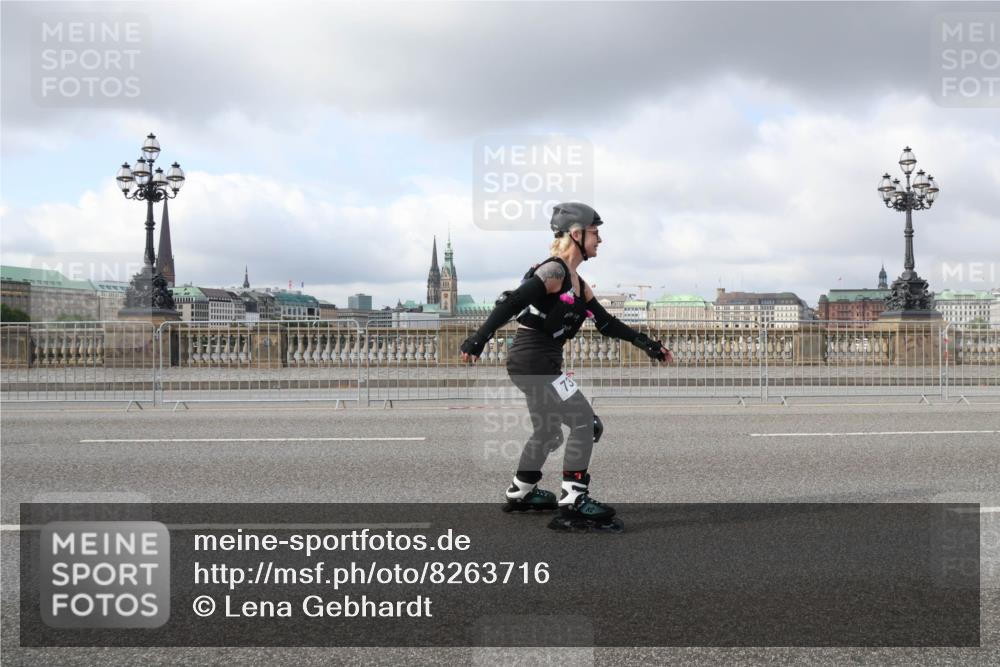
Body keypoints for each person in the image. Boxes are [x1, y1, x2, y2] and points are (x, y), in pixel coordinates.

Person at [461, 202, 673, 532]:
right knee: (585, 424)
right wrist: (479, 338)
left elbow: (607, 324)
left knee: (547, 432)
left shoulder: (577, 282)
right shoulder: (554, 271)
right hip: (535, 362)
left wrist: (649, 345)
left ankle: (522, 492)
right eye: (595, 233)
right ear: (576, 234)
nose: (599, 239)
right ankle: (574, 500)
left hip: (535, 362)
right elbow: (513, 302)